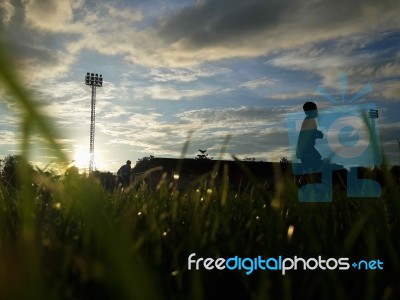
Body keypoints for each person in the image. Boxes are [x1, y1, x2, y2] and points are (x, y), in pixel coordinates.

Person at [296, 101, 324, 173]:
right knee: (315, 169)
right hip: (307, 151)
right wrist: (317, 134)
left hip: (306, 150)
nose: (317, 111)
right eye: (315, 109)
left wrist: (317, 133)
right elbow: (307, 137)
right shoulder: (309, 121)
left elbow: (308, 134)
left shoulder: (309, 120)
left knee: (311, 170)